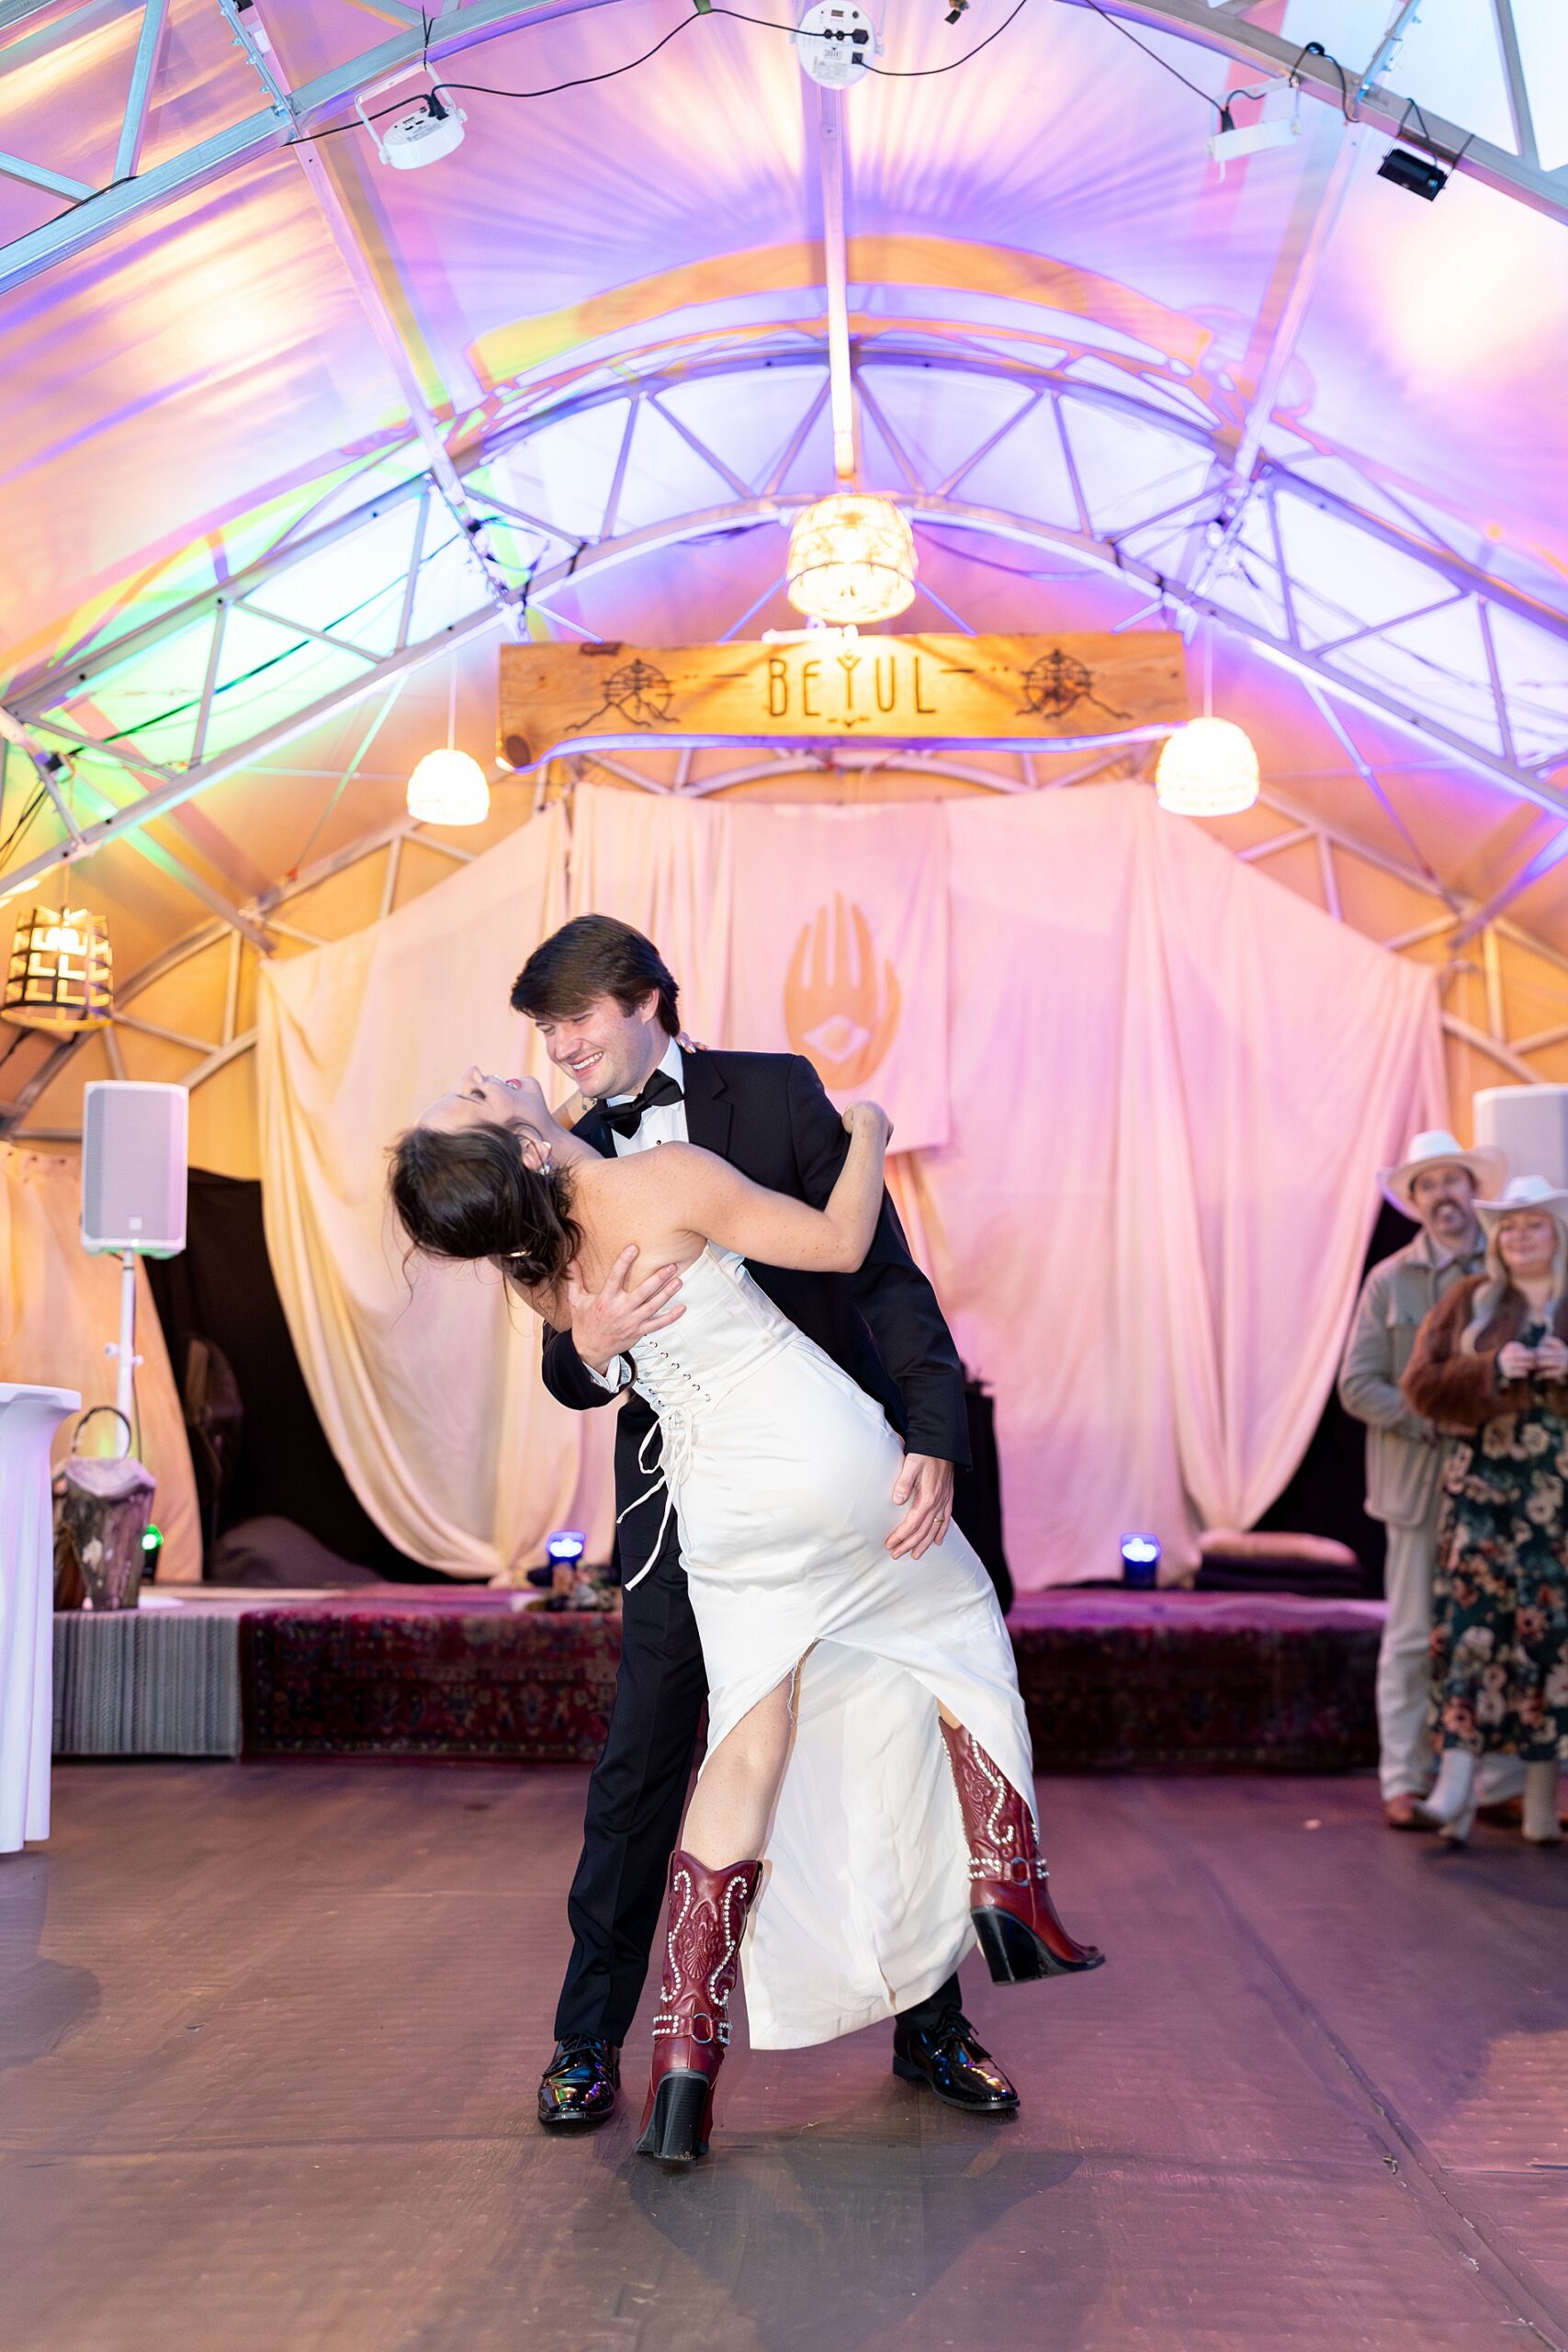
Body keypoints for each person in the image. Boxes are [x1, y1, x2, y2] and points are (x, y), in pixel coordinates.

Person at [389, 1053, 1102, 2167]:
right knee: (958, 1624)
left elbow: (612, 1330)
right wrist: (872, 1129)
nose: (502, 1063)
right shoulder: (665, 1172)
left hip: (722, 1515)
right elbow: (845, 1244)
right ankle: (1009, 1885)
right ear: (519, 1145)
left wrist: (584, 1315)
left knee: (747, 1744)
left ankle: (686, 2059)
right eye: (475, 1091)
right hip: (816, 1460)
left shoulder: (534, 1256)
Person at [1338, 1128, 1525, 1829]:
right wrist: (1431, 1418)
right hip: (1416, 1489)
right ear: (1412, 1200)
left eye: (1452, 1179)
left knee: (1499, 1634)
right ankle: (1404, 1781)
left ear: (1472, 1189)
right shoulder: (1389, 1281)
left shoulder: (1509, 1271)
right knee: (1414, 1636)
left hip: (1498, 1484)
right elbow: (1357, 1385)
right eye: (1427, 1185)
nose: (1442, 1195)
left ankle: (1500, 1785)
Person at [1400, 1174, 1568, 1847]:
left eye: (1533, 1223)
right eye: (1509, 1226)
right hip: (1481, 1493)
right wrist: (1491, 1370)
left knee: (1547, 1637)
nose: (1520, 1236)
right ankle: (1453, 1788)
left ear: (1555, 1232)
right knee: (1469, 1631)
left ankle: (1539, 1802)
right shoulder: (1469, 1300)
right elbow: (1419, 1387)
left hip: (1555, 1500)